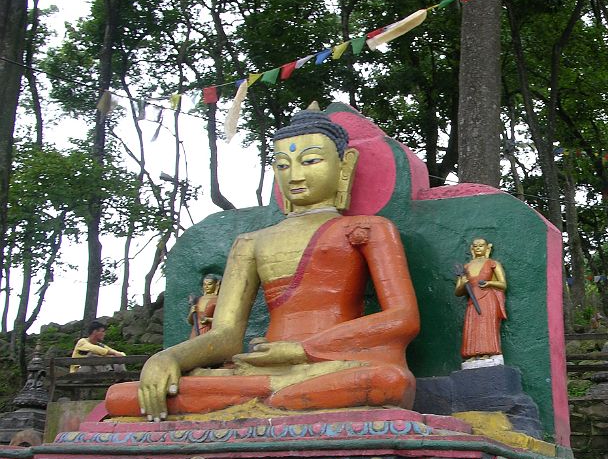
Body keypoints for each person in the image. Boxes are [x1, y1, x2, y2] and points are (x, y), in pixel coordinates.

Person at [105, 106, 421, 421]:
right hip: (260, 368)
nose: (295, 175)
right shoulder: (251, 242)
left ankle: (261, 402)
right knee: (123, 397)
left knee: (388, 382)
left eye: (310, 161)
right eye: (283, 165)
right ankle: (276, 400)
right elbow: (226, 336)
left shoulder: (368, 228)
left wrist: (303, 350)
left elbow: (403, 318)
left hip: (330, 364)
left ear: (344, 165)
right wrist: (167, 357)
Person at [455, 238, 507, 361]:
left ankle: (488, 352)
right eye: (475, 246)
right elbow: (458, 292)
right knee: (473, 325)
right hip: (473, 300)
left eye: (481, 245)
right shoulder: (466, 267)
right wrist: (463, 283)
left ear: (487, 248)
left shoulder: (493, 264)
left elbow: (503, 284)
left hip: (488, 299)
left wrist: (489, 283)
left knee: (486, 324)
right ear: (472, 248)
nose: (478, 248)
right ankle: (472, 353)